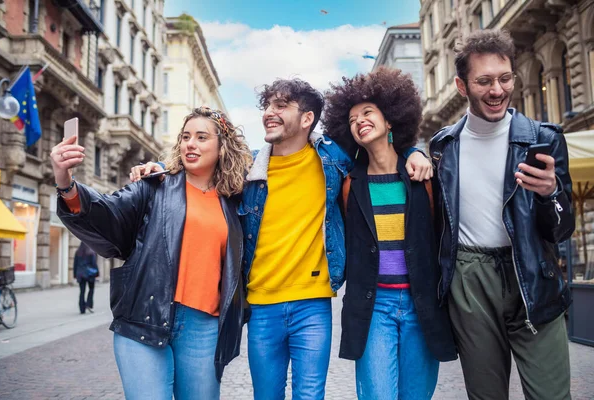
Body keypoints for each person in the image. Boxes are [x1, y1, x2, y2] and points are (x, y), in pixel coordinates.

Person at [134, 79, 433, 400]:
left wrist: (414, 151)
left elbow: (379, 146)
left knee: (309, 396)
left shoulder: (332, 160)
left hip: (313, 305)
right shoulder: (247, 167)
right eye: (267, 106)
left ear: (306, 119)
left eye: (280, 106)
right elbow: (202, 161)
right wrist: (162, 166)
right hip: (262, 307)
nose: (269, 113)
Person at [50, 107, 251, 400]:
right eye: (185, 137)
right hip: (144, 317)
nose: (190, 144)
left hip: (204, 327)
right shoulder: (154, 186)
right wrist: (65, 182)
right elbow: (108, 214)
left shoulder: (235, 202)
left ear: (222, 147)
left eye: (201, 137)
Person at [429, 29, 574, 400]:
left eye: (504, 78)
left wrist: (550, 193)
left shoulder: (545, 138)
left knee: (551, 395)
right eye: (484, 81)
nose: (497, 90)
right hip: (470, 281)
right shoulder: (442, 145)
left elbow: (562, 228)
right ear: (462, 86)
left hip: (533, 274)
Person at [321, 67, 457, 399]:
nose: (359, 121)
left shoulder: (424, 177)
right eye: (352, 119)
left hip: (421, 304)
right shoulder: (348, 183)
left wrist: (416, 152)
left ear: (391, 120)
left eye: (367, 112)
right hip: (373, 306)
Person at [73, 241, 98, 314]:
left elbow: (75, 264)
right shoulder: (91, 252)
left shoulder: (78, 252)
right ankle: (89, 304)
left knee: (82, 291)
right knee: (91, 289)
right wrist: (97, 273)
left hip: (80, 274)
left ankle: (82, 309)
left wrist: (75, 275)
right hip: (89, 274)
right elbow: (94, 264)